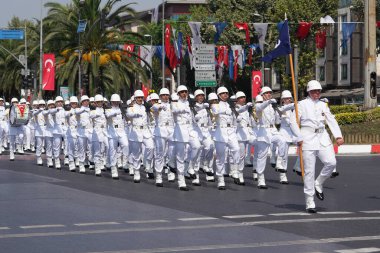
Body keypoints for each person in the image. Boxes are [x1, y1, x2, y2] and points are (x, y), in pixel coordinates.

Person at [297, 80, 344, 213]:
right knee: (309, 172)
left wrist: (338, 136)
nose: (316, 93)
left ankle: (319, 183)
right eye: (314, 91)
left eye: (318, 91)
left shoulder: (323, 105)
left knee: (331, 162)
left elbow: (331, 120)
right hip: (307, 137)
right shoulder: (301, 104)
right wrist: (297, 137)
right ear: (308, 92)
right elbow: (294, 122)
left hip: (322, 137)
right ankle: (310, 202)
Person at [254, 87, 287, 189]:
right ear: (262, 95)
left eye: (270, 93)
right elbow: (259, 109)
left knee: (282, 141)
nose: (269, 94)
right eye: (267, 93)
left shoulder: (272, 106)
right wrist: (268, 102)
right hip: (263, 132)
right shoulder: (259, 105)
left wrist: (280, 113)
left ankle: (279, 163)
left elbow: (277, 121)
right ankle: (260, 178)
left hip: (272, 130)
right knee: (262, 157)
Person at [171, 85, 201, 191]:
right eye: (182, 92)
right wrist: (182, 109)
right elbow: (174, 110)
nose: (184, 93)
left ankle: (189, 166)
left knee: (197, 146)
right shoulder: (175, 103)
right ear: (178, 94)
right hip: (180, 130)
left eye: (185, 92)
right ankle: (181, 181)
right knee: (180, 156)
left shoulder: (190, 103)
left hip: (190, 129)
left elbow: (193, 115)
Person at [211, 87, 240, 190]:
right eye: (222, 94)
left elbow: (236, 118)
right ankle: (220, 179)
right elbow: (216, 111)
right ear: (219, 95)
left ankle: (234, 170)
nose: (225, 95)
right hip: (220, 132)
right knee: (221, 158)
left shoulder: (231, 105)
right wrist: (229, 107)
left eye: (226, 93)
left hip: (231, 131)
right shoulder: (216, 105)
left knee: (236, 149)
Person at [126, 90, 154, 183]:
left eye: (141, 98)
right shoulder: (132, 107)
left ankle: (148, 164)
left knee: (151, 147)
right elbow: (128, 114)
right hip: (136, 132)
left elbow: (151, 113)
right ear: (135, 98)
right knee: (136, 154)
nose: (140, 99)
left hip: (145, 130)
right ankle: (137, 172)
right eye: (138, 98)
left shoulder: (145, 106)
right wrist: (134, 114)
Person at [276, 90, 302, 184]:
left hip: (294, 132)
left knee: (303, 147)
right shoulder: (280, 108)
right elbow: (277, 122)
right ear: (282, 100)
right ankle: (283, 175)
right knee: (284, 155)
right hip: (284, 132)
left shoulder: (295, 108)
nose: (288, 100)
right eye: (286, 98)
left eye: (289, 98)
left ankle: (297, 166)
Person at [151, 88, 174, 187]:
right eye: (163, 95)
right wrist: (160, 106)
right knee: (160, 154)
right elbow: (155, 108)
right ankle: (159, 176)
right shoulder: (156, 105)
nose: (165, 96)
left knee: (172, 152)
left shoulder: (172, 105)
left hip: (171, 130)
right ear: (160, 96)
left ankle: (170, 171)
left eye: (167, 95)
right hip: (160, 131)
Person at [192, 89, 215, 185]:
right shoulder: (192, 107)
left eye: (202, 96)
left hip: (206, 131)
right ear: (195, 97)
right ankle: (195, 176)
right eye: (199, 96)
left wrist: (211, 127)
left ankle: (205, 164)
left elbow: (210, 121)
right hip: (196, 131)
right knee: (197, 153)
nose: (201, 97)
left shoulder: (207, 108)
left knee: (210, 147)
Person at [234, 91, 256, 185]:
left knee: (258, 145)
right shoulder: (235, 108)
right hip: (240, 134)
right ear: (237, 99)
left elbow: (250, 121)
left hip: (248, 132)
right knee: (241, 156)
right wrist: (246, 106)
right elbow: (239, 113)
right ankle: (239, 173)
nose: (243, 99)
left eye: (244, 97)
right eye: (241, 97)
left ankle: (256, 170)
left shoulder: (247, 109)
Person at [105, 94, 129, 178]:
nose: (115, 103)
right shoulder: (108, 110)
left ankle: (126, 162)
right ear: (111, 102)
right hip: (112, 132)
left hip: (121, 132)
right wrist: (115, 112)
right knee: (112, 151)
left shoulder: (122, 110)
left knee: (126, 145)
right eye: (114, 102)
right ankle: (113, 168)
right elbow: (108, 115)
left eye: (117, 101)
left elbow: (126, 118)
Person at [76, 95, 93, 174]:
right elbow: (77, 112)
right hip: (81, 131)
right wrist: (83, 109)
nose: (86, 102)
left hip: (90, 130)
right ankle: (81, 164)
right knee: (82, 149)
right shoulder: (78, 109)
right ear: (81, 102)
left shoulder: (91, 110)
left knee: (91, 147)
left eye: (87, 101)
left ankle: (90, 160)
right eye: (84, 101)